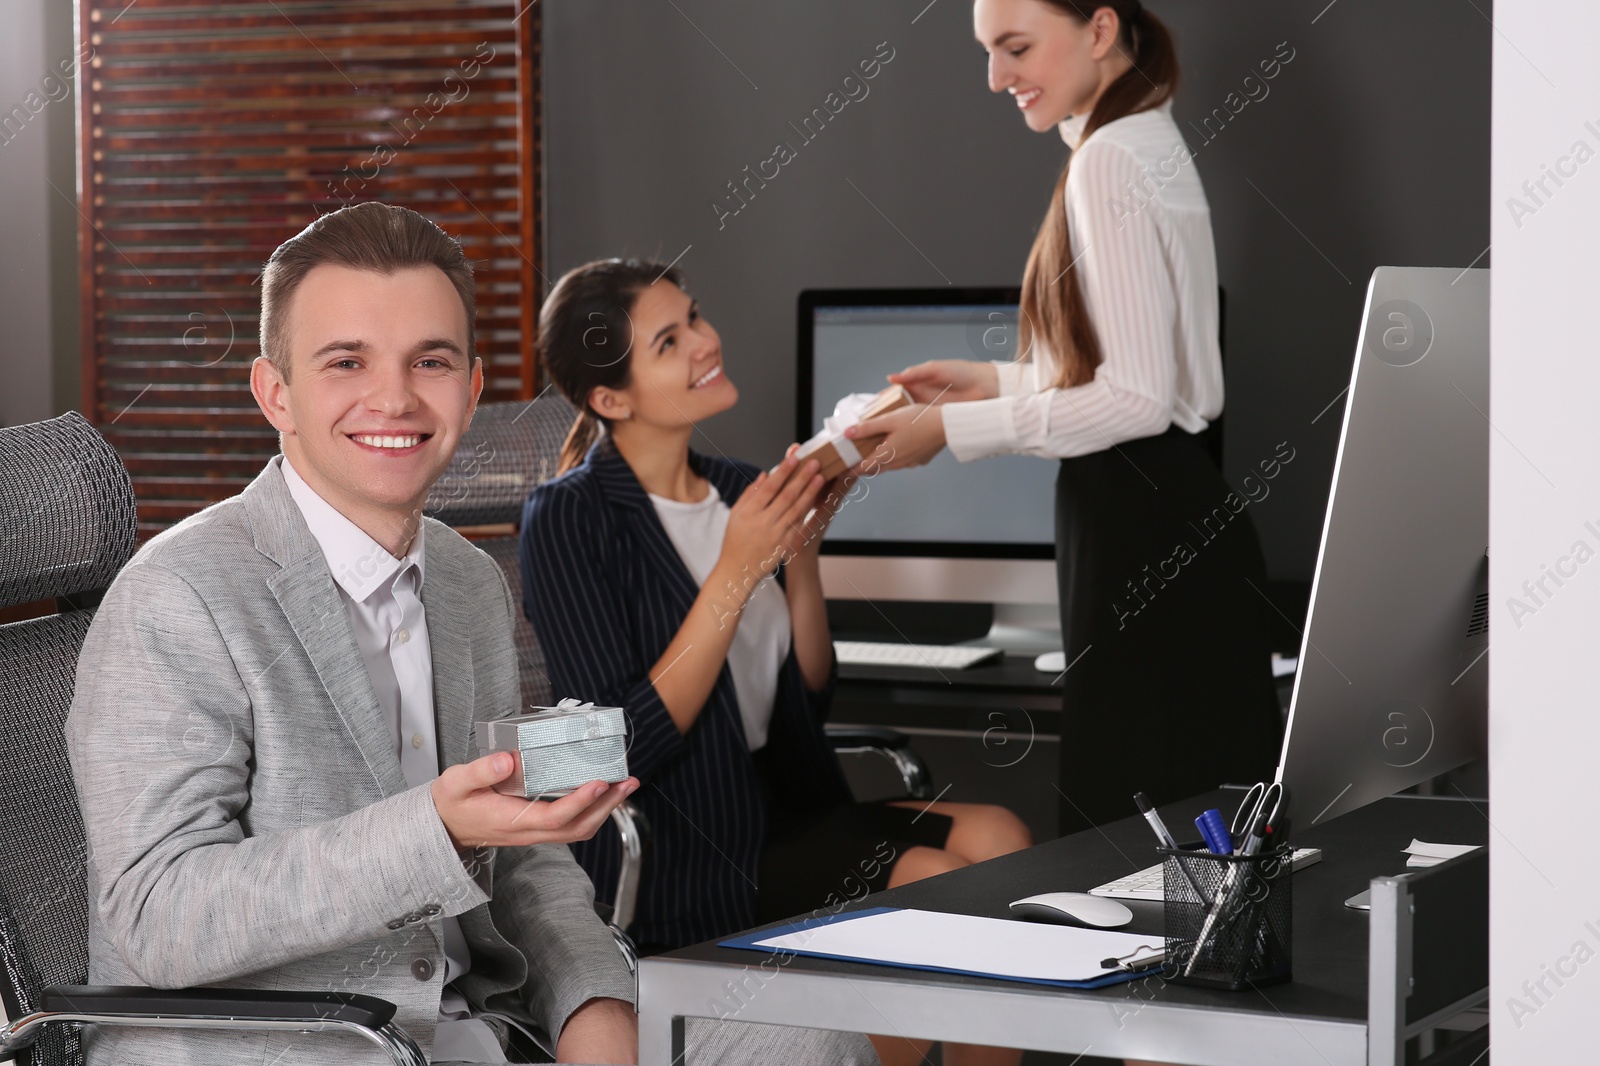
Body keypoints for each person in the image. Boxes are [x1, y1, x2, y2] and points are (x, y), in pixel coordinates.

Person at [65, 202, 876, 1066]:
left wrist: (595, 1007)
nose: (395, 397)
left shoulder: (464, 581)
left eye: (431, 361)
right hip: (294, 1048)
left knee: (812, 1042)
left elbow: (528, 865)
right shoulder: (176, 595)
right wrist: (438, 832)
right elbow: (157, 918)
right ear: (277, 394)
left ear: (472, 388)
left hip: (480, 1028)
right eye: (346, 361)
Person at [520, 258, 1034, 1066]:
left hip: (782, 808)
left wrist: (802, 557)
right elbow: (612, 746)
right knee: (938, 884)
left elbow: (805, 697)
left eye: (694, 316)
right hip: (689, 843)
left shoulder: (740, 488)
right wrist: (734, 570)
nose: (703, 341)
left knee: (1002, 832)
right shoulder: (571, 519)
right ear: (610, 399)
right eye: (669, 340)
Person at [850, 0, 1283, 840]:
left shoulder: (1109, 160)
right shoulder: (1141, 135)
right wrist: (991, 381)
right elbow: (1147, 373)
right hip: (1169, 508)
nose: (996, 77)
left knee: (1137, 842)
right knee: (1199, 845)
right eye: (988, 52)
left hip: (1140, 523)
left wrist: (950, 433)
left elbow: (1138, 400)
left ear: (1099, 29)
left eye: (1016, 47)